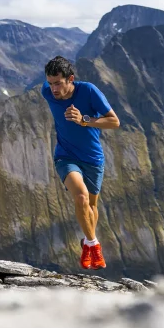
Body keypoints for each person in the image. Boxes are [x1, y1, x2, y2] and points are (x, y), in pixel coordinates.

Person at [41, 56, 120, 270]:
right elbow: (49, 85)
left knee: (92, 206)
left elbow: (114, 121)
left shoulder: (89, 91)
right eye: (50, 83)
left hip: (93, 158)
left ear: (71, 79)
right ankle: (94, 245)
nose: (53, 88)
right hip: (65, 155)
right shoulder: (47, 92)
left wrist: (84, 120)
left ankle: (86, 242)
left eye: (58, 83)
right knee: (81, 197)